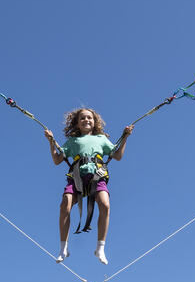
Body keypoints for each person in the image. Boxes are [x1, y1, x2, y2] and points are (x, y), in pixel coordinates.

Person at [45, 107, 133, 266]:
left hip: (97, 176)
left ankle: (100, 248)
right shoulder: (73, 142)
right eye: (83, 118)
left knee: (105, 205)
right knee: (65, 205)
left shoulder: (101, 139)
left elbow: (117, 155)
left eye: (89, 118)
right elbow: (57, 160)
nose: (86, 120)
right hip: (77, 177)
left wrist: (125, 136)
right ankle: (63, 248)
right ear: (77, 123)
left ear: (94, 122)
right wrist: (51, 142)